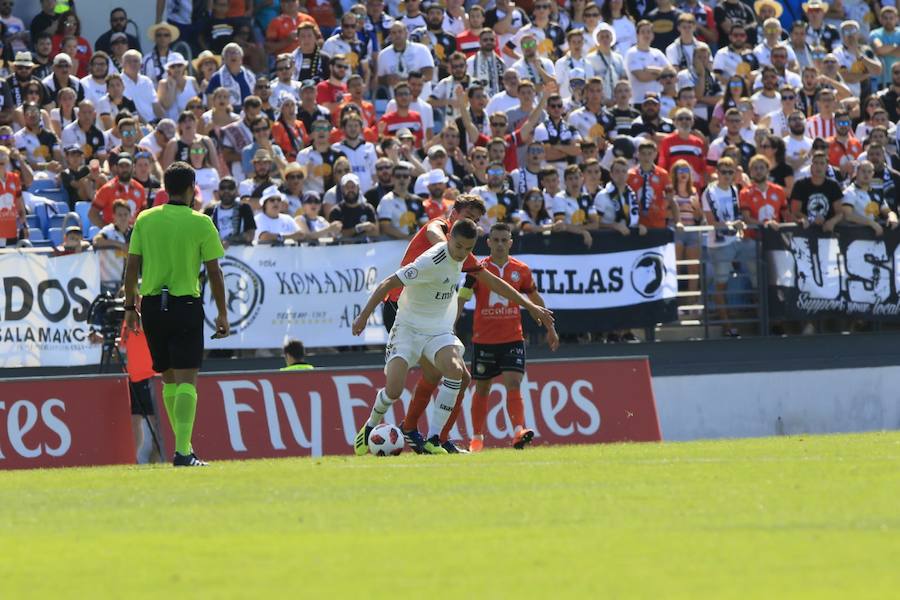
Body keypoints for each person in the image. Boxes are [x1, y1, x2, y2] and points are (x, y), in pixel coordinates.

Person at [350, 217, 554, 455]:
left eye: (468, 249)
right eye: (458, 247)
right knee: (394, 390)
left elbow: (495, 283)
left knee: (456, 371)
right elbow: (387, 283)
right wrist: (363, 317)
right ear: (450, 240)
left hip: (438, 330)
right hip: (407, 329)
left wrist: (529, 305)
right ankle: (370, 425)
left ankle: (434, 438)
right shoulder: (429, 261)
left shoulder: (465, 257)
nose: (462, 254)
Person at [123, 162, 230, 468]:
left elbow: (132, 267)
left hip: (153, 307)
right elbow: (214, 271)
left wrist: (130, 307)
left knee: (169, 380)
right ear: (191, 189)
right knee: (187, 380)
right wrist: (222, 313)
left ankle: (184, 447)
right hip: (185, 306)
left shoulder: (145, 219)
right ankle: (183, 451)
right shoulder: (201, 223)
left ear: (165, 189)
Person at [461, 221, 559, 453]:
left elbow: (535, 299)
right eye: (495, 240)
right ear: (488, 242)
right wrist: (451, 321)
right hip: (483, 339)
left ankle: (518, 431)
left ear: (511, 242)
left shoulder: (521, 270)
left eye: (504, 240)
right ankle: (476, 438)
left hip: (512, 338)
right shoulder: (477, 268)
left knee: (513, 383)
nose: (500, 244)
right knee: (482, 388)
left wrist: (550, 328)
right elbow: (462, 297)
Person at [204, 176, 256, 247]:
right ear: (218, 191)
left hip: (239, 254)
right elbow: (201, 234)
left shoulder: (244, 208)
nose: (226, 191)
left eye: (230, 187)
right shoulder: (210, 210)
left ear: (236, 190)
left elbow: (250, 235)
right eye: (222, 188)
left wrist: (229, 241)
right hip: (215, 254)